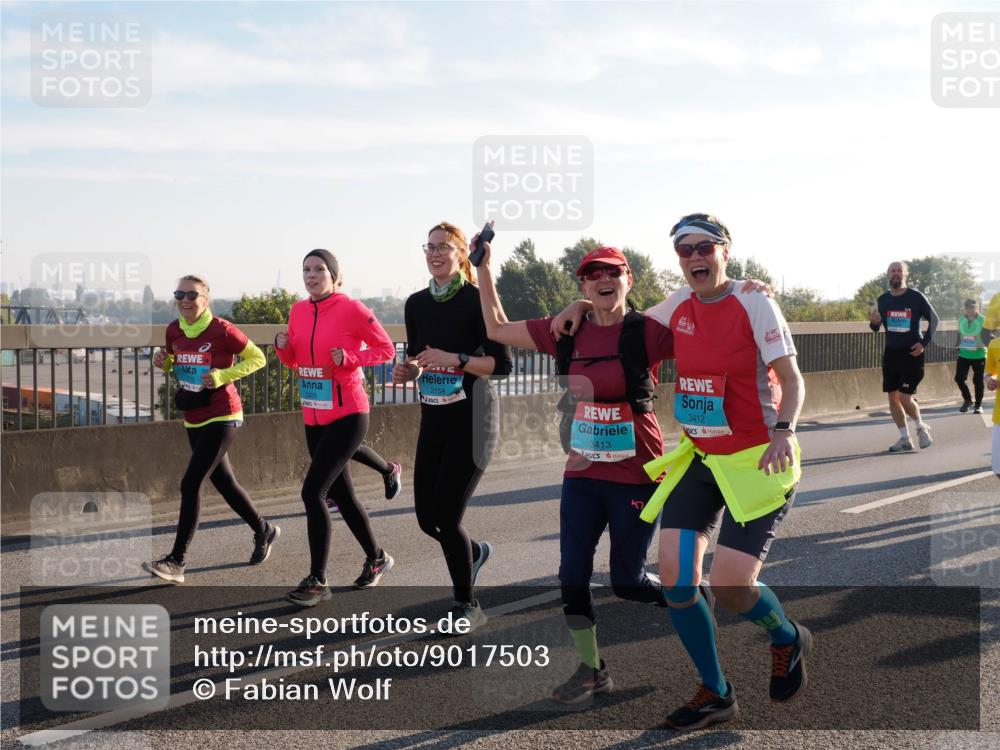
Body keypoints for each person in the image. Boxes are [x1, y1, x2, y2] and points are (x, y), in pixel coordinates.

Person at [552, 213, 809, 730]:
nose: (695, 256)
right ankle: (716, 691)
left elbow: (791, 378)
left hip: (757, 459)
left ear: (724, 251)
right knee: (675, 580)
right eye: (685, 249)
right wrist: (581, 304)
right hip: (699, 459)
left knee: (733, 587)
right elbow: (621, 315)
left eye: (704, 247)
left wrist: (784, 429)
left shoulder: (755, 302)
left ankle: (786, 636)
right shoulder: (676, 306)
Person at [476, 237, 675, 704]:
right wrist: (484, 267)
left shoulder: (649, 331)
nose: (604, 280)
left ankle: (688, 596)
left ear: (630, 280)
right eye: (593, 275)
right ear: (583, 282)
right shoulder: (565, 329)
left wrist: (748, 292)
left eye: (613, 272)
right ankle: (591, 670)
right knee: (571, 578)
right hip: (583, 473)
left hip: (637, 474)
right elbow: (497, 328)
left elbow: (705, 327)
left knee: (627, 582)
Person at [392, 222, 511, 629]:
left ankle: (467, 605)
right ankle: (472, 553)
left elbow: (502, 366)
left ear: (462, 253)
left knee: (446, 514)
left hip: (474, 419)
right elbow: (419, 359)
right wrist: (407, 371)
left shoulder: (478, 300)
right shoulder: (415, 303)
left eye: (444, 246)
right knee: (427, 518)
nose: (435, 253)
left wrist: (456, 358)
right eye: (429, 246)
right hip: (435, 417)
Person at [275, 249, 396, 606]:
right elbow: (296, 361)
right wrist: (283, 349)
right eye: (306, 270)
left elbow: (386, 350)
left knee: (313, 493)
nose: (311, 276)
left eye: (319, 270)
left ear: (334, 275)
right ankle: (377, 558)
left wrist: (351, 358)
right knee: (342, 496)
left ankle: (318, 581)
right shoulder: (298, 310)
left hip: (348, 414)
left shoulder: (352, 309)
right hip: (314, 415)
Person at [143, 274, 278, 583]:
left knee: (190, 483)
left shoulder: (222, 329)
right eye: (180, 294)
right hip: (194, 415)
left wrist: (222, 376)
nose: (185, 300)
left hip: (224, 414)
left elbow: (258, 359)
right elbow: (173, 363)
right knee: (225, 483)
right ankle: (264, 530)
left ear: (205, 300)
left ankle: (177, 561)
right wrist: (160, 360)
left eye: (193, 295)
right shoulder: (174, 330)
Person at [868, 261, 939, 452]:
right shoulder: (882, 300)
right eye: (893, 271)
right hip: (891, 354)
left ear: (905, 275)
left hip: (911, 354)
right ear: (888, 275)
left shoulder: (916, 297)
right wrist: (874, 322)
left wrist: (923, 343)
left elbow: (935, 320)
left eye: (899, 270)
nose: (896, 274)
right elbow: (875, 327)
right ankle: (905, 438)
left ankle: (920, 427)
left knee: (904, 397)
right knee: (893, 399)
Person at [955, 298, 986, 414]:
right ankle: (968, 400)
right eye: (968, 308)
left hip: (979, 355)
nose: (971, 310)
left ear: (977, 308)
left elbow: (990, 335)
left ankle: (978, 405)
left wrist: (982, 343)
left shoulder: (983, 320)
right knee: (959, 379)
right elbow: (959, 333)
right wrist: (957, 345)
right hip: (964, 354)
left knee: (977, 381)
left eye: (973, 307)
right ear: (965, 309)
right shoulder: (961, 319)